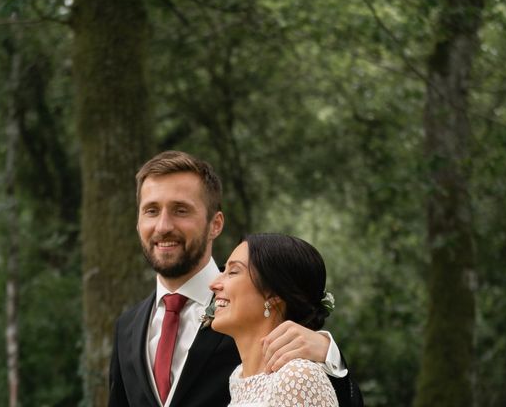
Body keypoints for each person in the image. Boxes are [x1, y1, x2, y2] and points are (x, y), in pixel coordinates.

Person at [108, 151, 362, 407]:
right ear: (138, 222)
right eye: (151, 210)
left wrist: (330, 355)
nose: (163, 226)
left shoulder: (250, 303)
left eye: (180, 210)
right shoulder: (127, 327)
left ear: (215, 224)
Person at [210, 233, 340, 406]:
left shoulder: (297, 377)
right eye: (222, 271)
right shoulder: (239, 376)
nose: (213, 284)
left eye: (233, 272)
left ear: (273, 294)